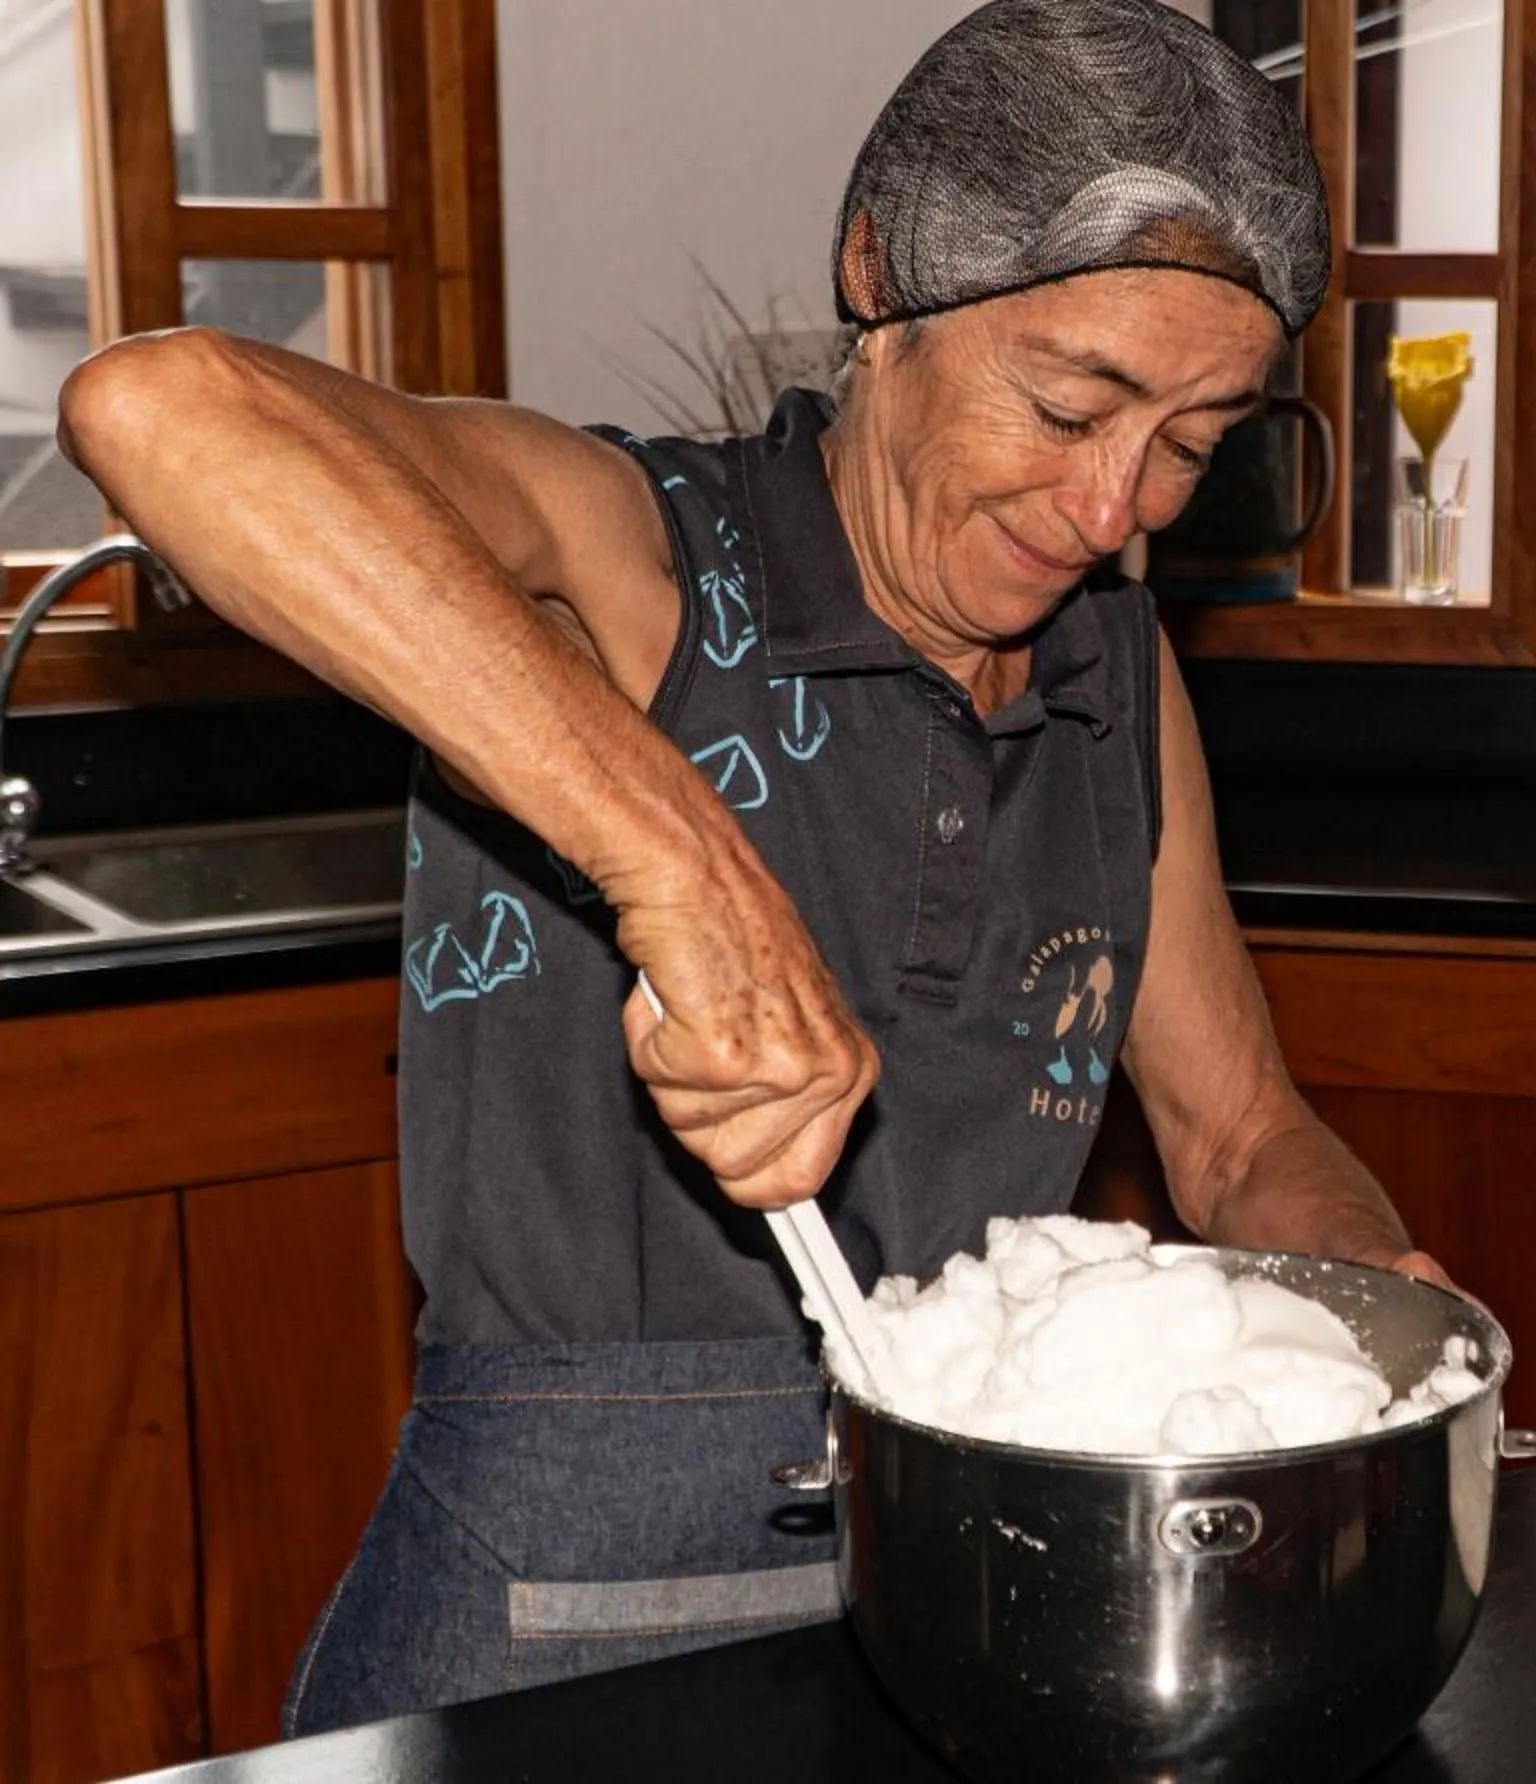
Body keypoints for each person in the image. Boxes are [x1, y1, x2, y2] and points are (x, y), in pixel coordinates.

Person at [56, 0, 1450, 1734]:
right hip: (551, 1629)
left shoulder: (1117, 672)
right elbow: (161, 408)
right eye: (1070, 404)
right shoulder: (638, 560)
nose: (1117, 513)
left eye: (1190, 444)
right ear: (879, 276)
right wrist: (684, 870)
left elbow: (1238, 1137)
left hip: (964, 1602)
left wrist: (1382, 1323)